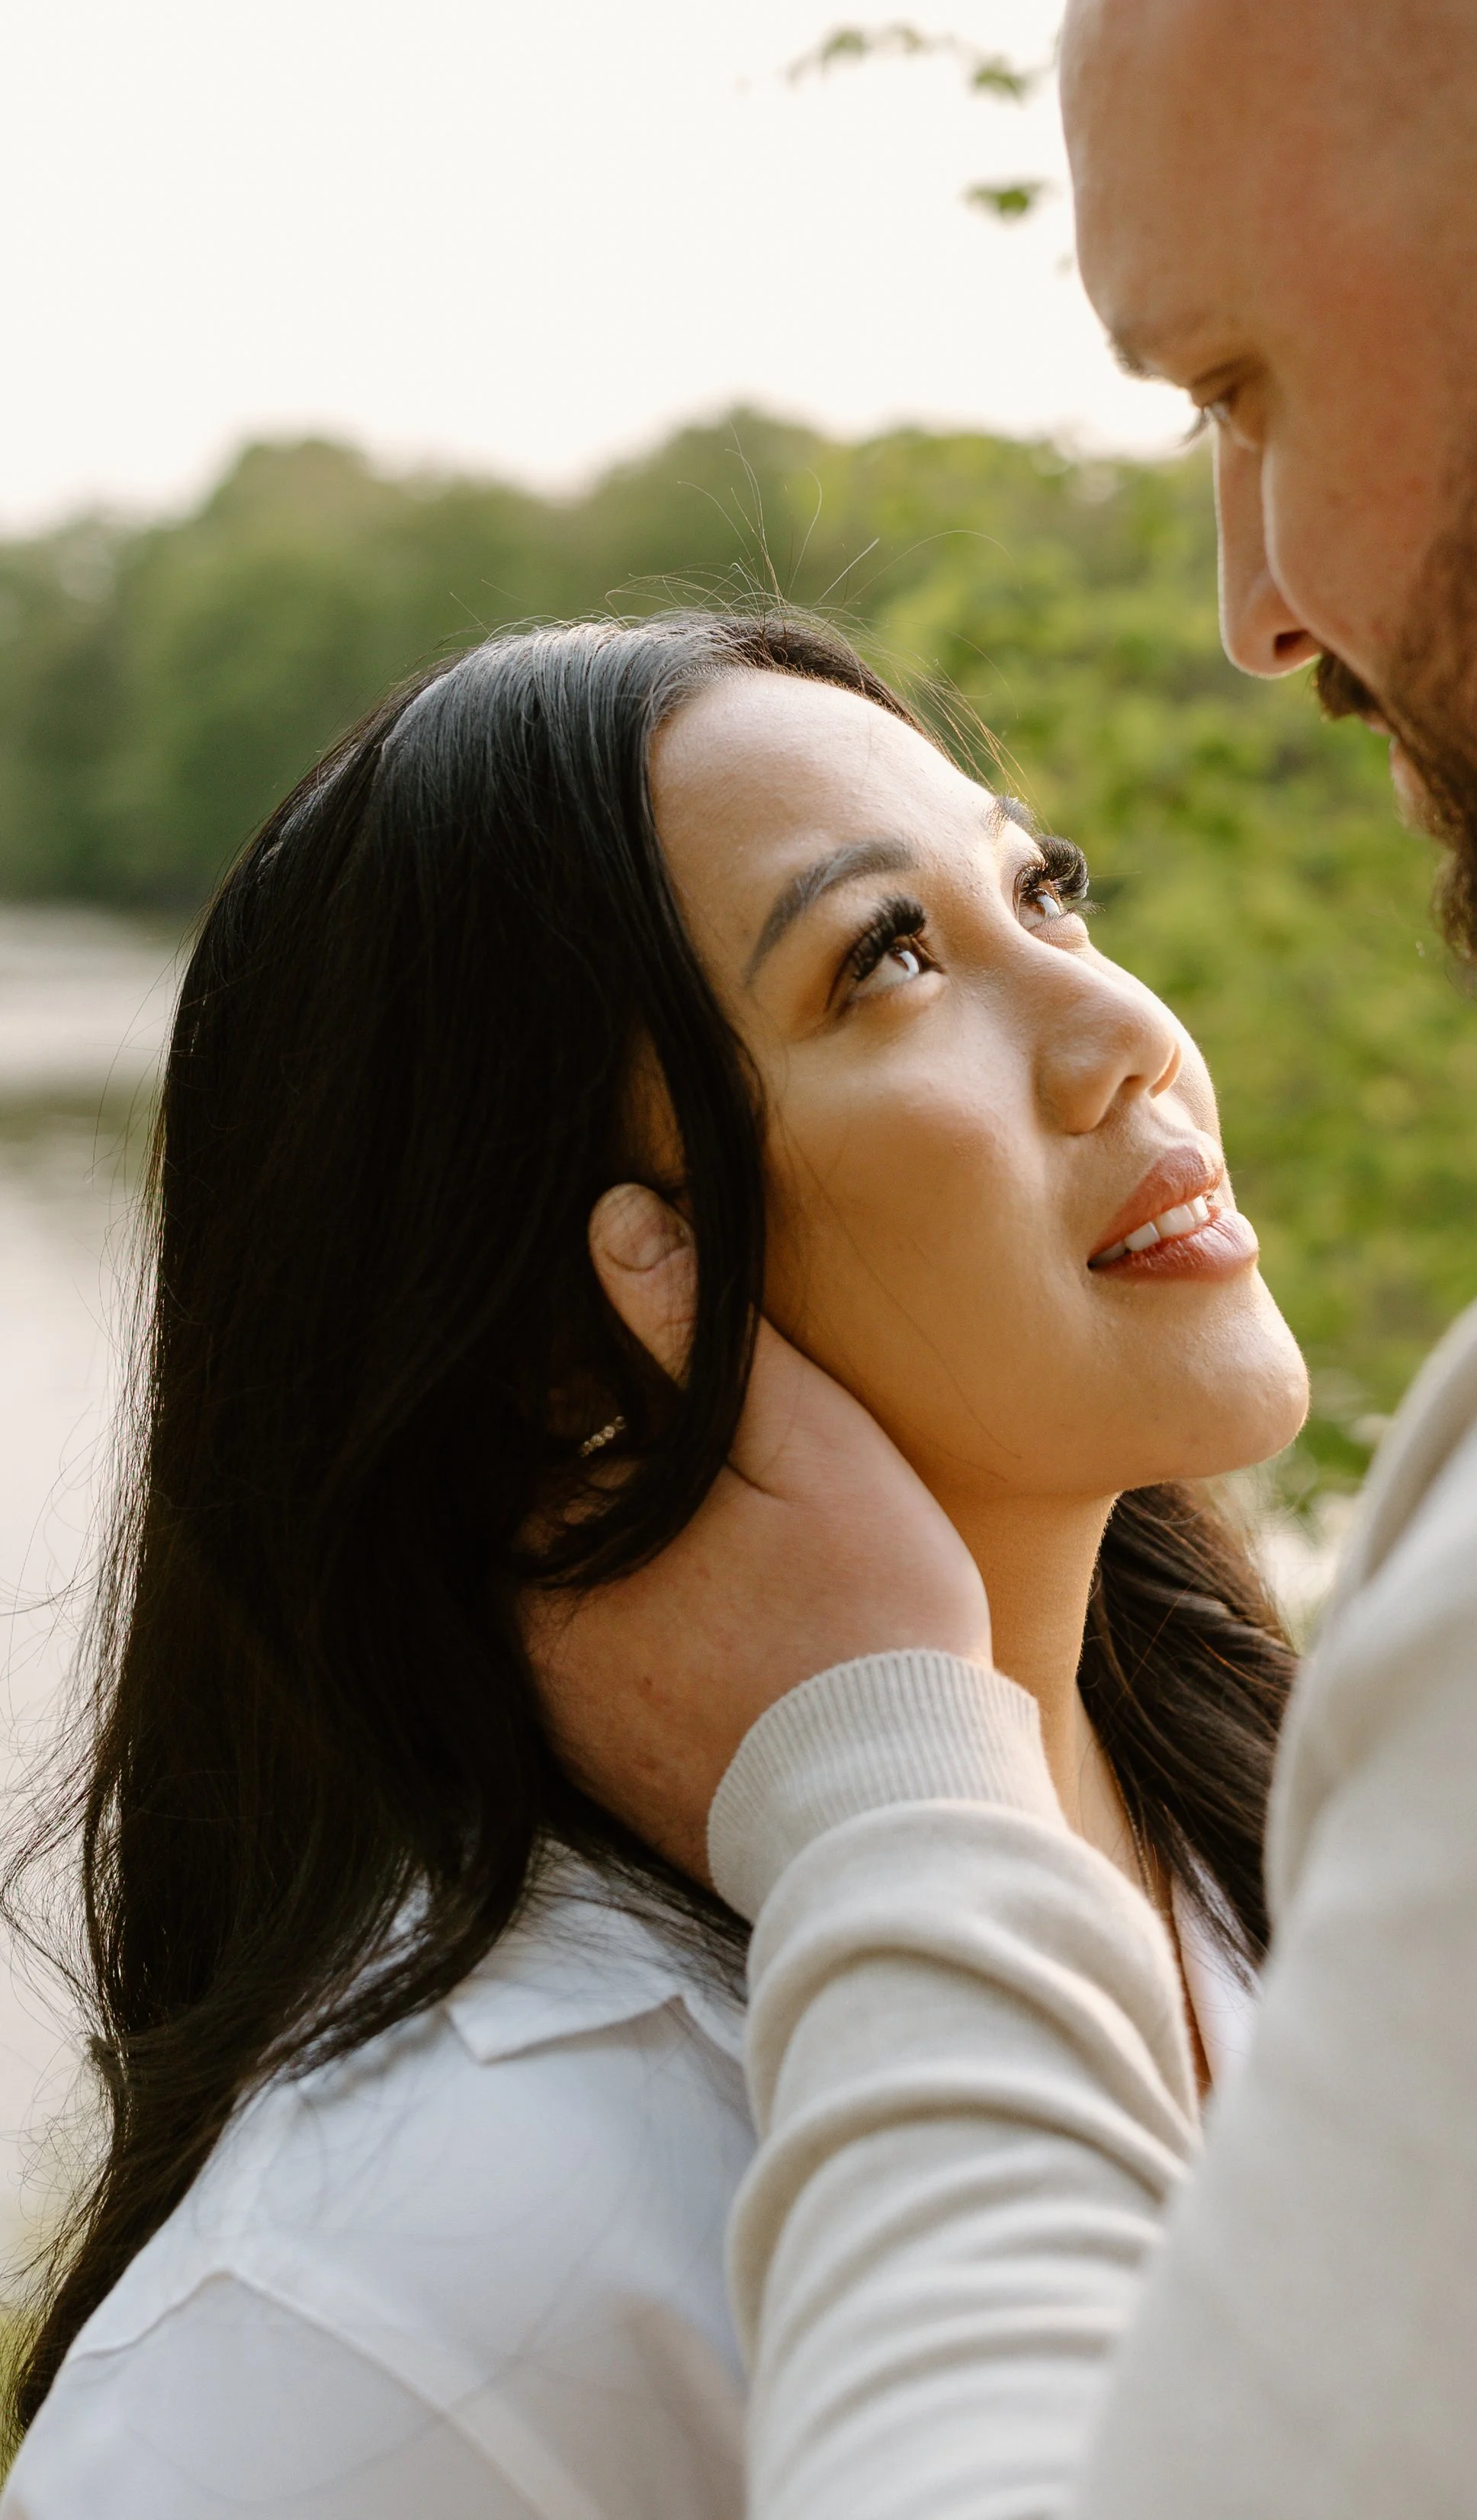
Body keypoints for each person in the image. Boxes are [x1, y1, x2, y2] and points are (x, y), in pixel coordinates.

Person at [521, 0, 1477, 2514]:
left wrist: (884, 1792)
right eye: (890, 953)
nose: (1258, 608)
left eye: (1246, 386)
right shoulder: (412, 2272)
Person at [0, 610, 1307, 2518]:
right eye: (888, 960)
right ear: (569, 1334)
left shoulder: (1352, 1842)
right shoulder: (370, 2324)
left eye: (1049, 895)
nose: (1129, 1039)